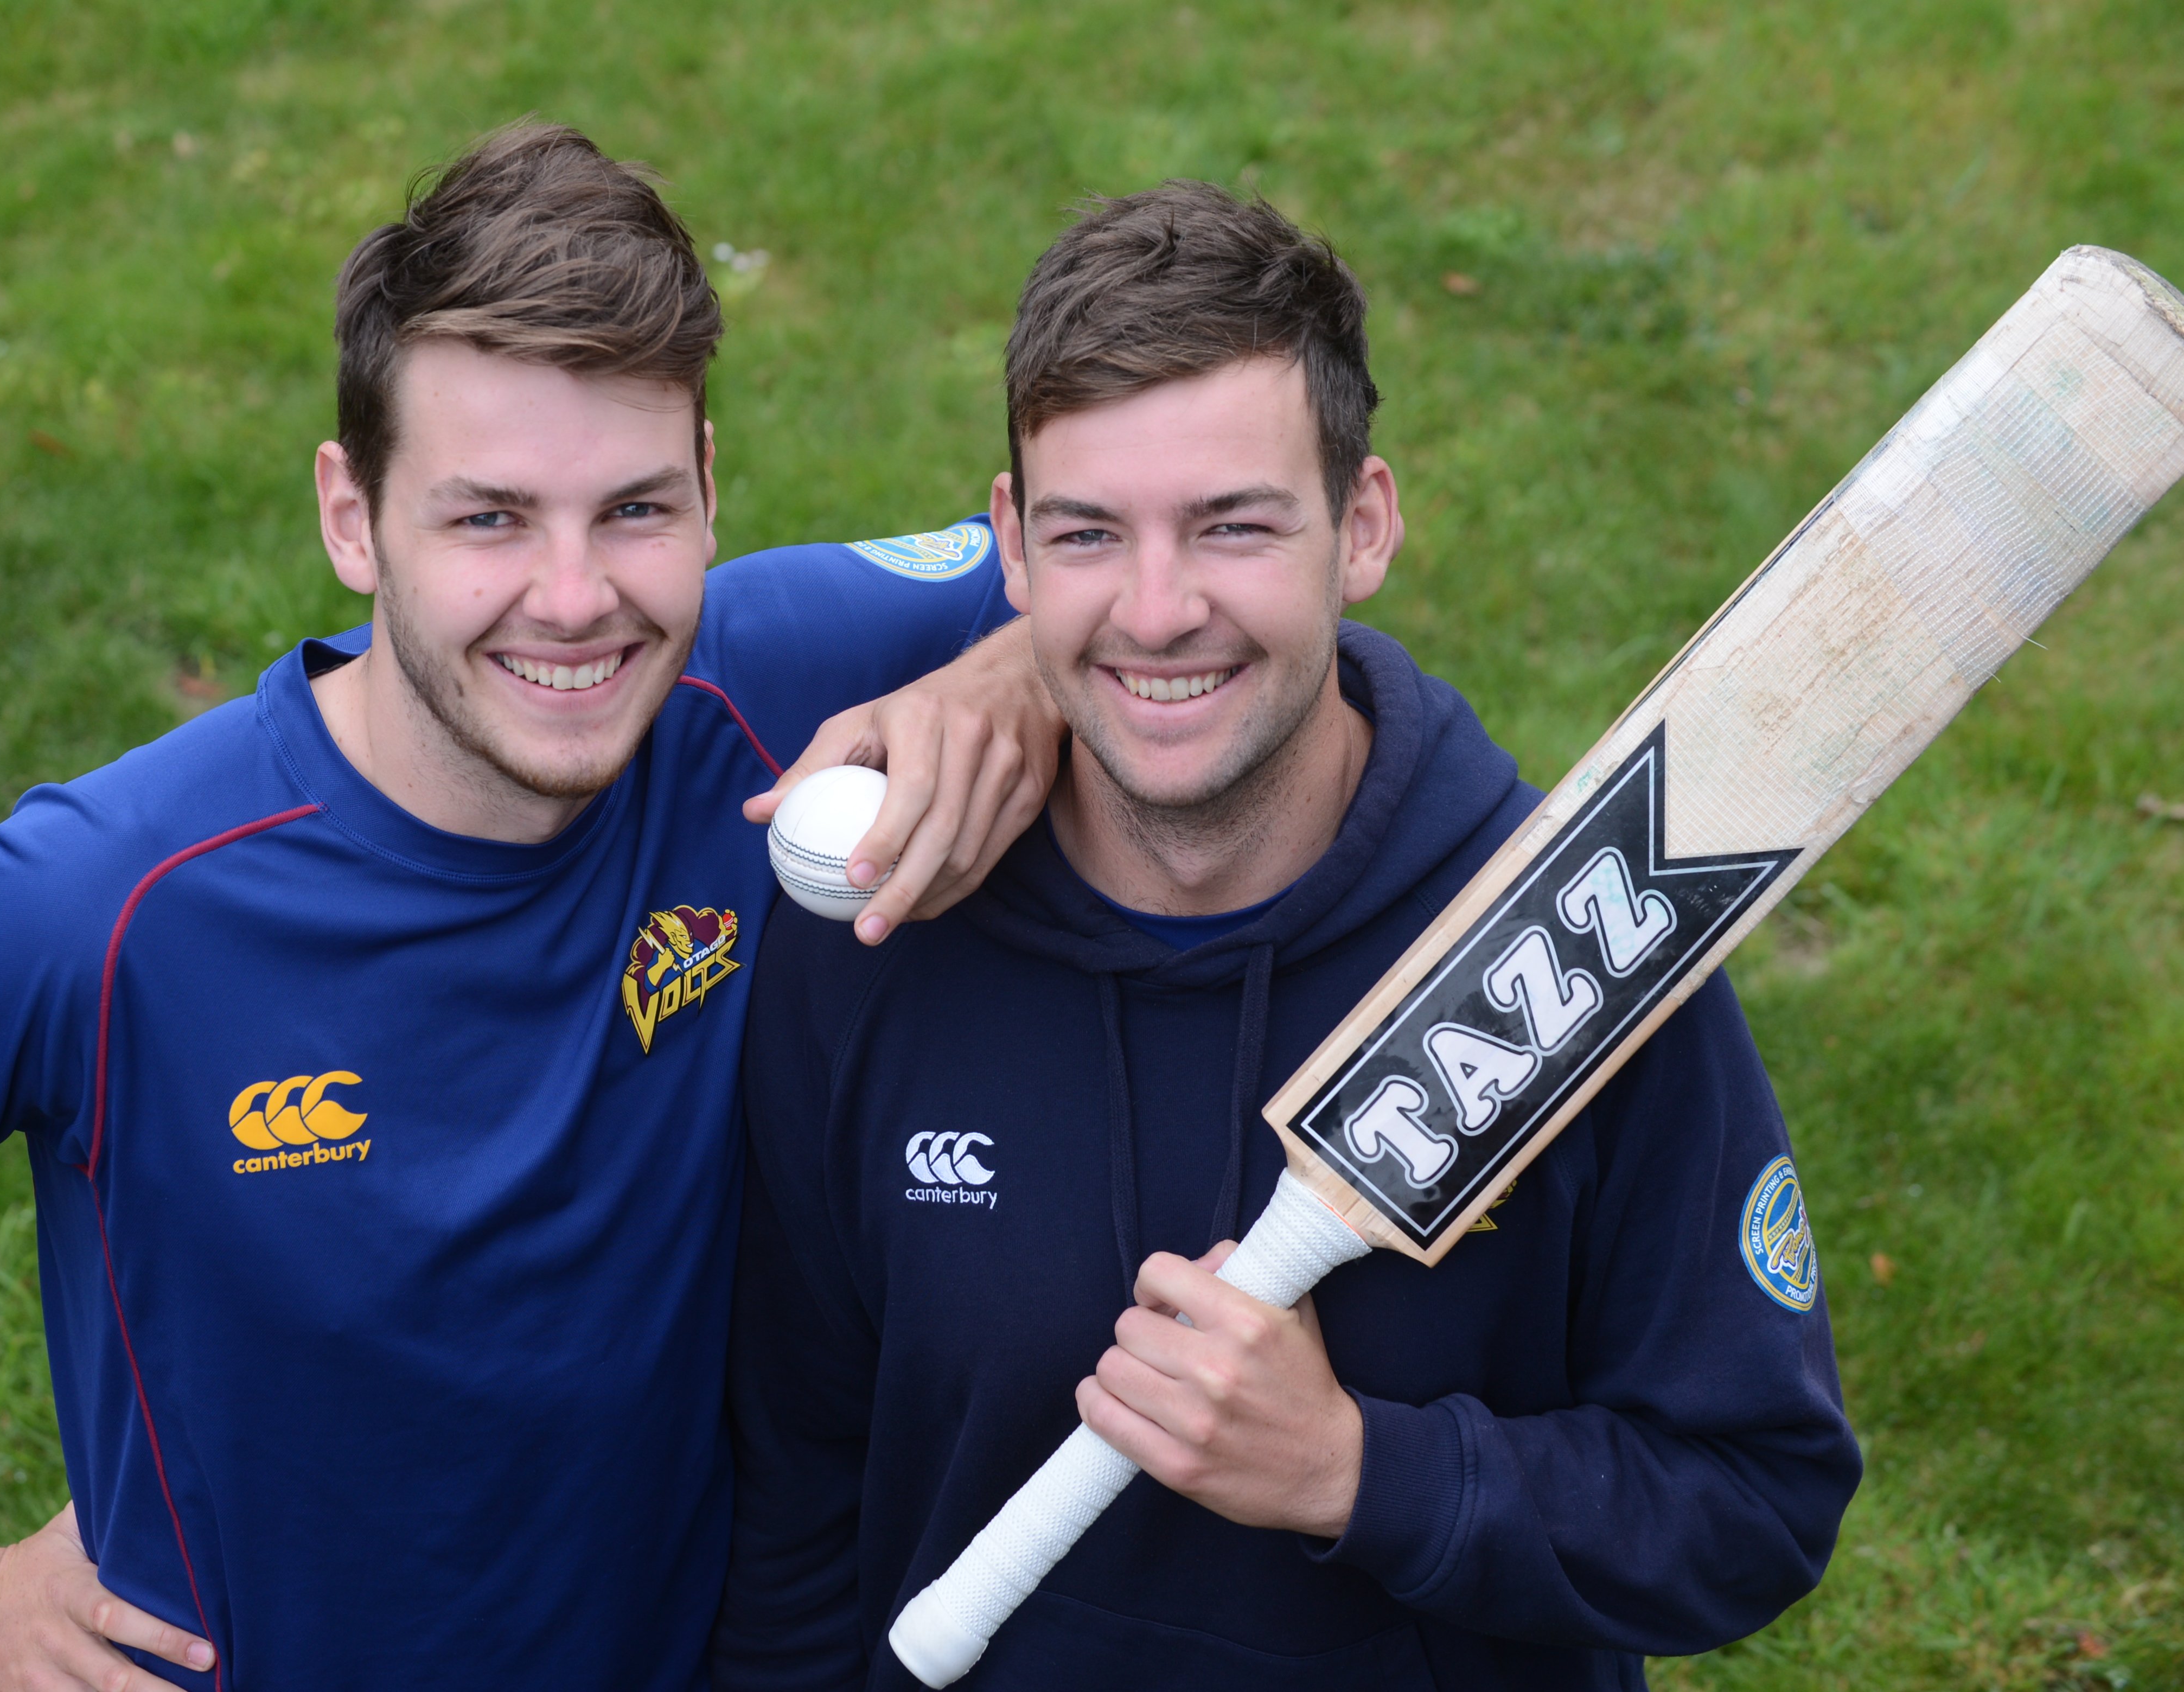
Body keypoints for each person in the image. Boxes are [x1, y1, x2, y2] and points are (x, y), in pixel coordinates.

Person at [0, 123, 1062, 1692]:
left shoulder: (753, 684)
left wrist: (1012, 671)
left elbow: (1122, 588)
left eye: (632, 510)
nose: (575, 598)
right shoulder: (104, 903)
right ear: (352, 519)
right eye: (487, 517)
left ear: (707, 490)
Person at [718, 183, 1862, 1691]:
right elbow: (795, 1480)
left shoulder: (1582, 949)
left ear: (1363, 525)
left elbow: (1753, 1499)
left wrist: (1358, 1474)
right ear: (1010, 544)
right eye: (1087, 533)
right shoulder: (882, 939)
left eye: (1233, 526)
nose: (1158, 607)